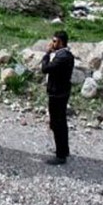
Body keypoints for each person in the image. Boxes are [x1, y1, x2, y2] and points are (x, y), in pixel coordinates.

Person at [41, 30, 75, 165]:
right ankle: (64, 149)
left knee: (57, 123)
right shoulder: (67, 55)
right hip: (62, 91)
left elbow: (45, 68)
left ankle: (61, 155)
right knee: (61, 122)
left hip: (57, 93)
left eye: (55, 41)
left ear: (61, 42)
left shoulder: (62, 57)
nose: (52, 44)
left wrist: (46, 54)